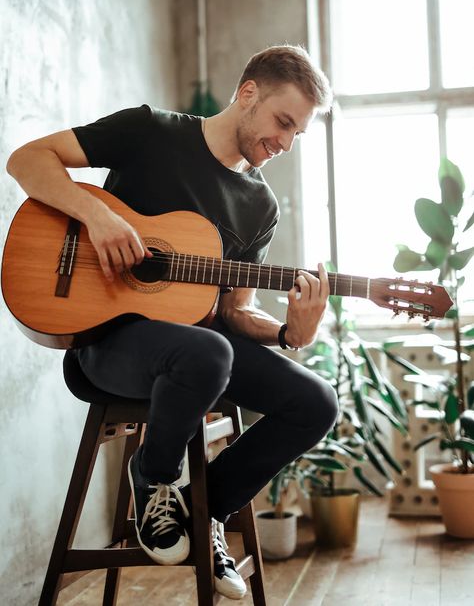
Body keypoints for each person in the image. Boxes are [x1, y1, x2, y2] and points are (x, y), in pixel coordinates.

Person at [7, 44, 338, 600]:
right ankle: (154, 478)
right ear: (248, 93)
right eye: (284, 122)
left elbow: (234, 311)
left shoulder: (259, 206)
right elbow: (27, 159)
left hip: (201, 354)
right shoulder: (149, 132)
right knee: (208, 353)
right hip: (108, 345)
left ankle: (207, 509)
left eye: (297, 135)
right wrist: (99, 216)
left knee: (316, 401)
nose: (284, 143)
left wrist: (289, 332)